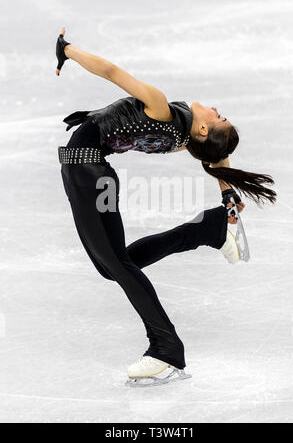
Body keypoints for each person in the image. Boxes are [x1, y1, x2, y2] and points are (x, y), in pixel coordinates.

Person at [56, 28, 276, 385]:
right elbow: (216, 157)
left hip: (89, 173)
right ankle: (211, 228)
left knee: (117, 265)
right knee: (114, 267)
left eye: (219, 117)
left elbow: (111, 72)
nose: (217, 109)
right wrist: (227, 198)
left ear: (203, 128)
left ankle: (165, 348)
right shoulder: (182, 140)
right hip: (93, 174)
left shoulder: (160, 107)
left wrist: (67, 50)